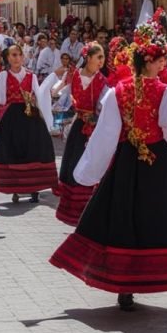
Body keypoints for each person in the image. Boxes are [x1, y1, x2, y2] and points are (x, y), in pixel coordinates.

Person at [49, 21, 167, 312]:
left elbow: (107, 137)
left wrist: (90, 171)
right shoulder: (166, 93)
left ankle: (125, 286)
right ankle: (132, 283)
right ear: (149, 62)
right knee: (153, 217)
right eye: (161, 59)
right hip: (155, 164)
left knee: (126, 219)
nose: (164, 64)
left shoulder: (119, 92)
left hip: (129, 163)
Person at [0, 44, 58, 204]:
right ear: (8, 58)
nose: (17, 58)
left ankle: (34, 188)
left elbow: (39, 96)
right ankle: (15, 187)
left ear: (23, 57)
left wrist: (34, 101)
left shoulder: (31, 77)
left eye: (19, 55)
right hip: (11, 119)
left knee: (34, 150)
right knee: (13, 151)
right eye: (13, 55)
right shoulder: (3, 76)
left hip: (31, 118)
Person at [52, 43, 108, 226]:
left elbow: (104, 106)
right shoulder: (75, 75)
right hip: (79, 127)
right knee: (75, 163)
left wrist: (96, 117)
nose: (102, 61)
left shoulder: (102, 81)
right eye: (98, 57)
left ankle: (90, 211)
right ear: (88, 58)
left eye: (103, 57)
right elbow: (67, 97)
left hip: (95, 128)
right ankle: (74, 212)